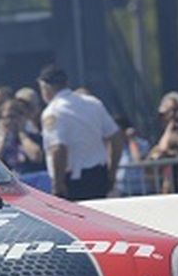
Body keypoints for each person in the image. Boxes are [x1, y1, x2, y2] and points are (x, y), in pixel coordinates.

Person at [37, 64, 124, 200]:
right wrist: (112, 173)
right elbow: (116, 137)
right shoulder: (93, 103)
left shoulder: (52, 112)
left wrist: (58, 184)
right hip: (99, 175)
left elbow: (58, 149)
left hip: (72, 180)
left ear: (46, 87)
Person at [0, 99, 44, 174]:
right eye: (4, 118)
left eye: (12, 117)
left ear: (22, 117)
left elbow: (36, 157)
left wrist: (21, 134)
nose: (7, 121)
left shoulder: (35, 137)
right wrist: (2, 139)